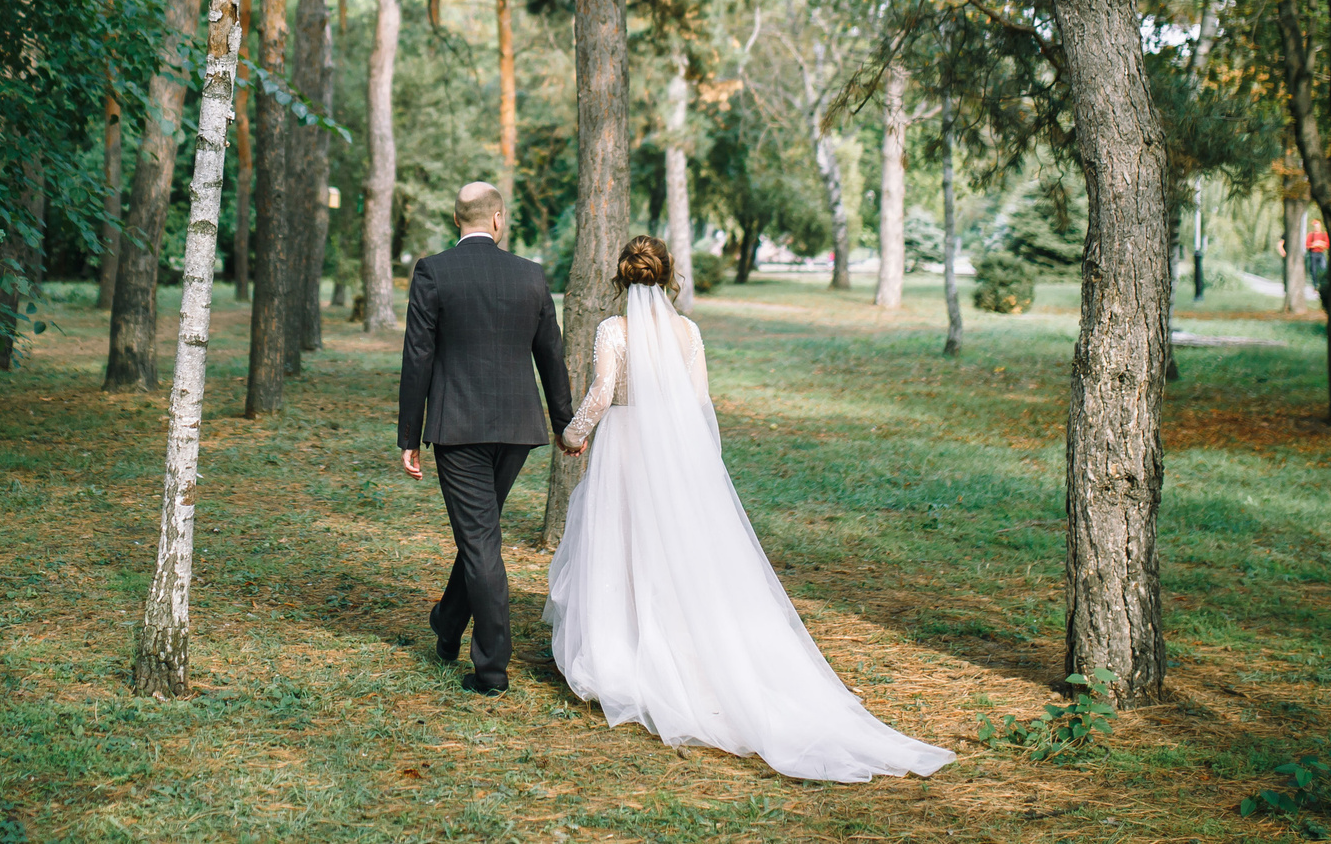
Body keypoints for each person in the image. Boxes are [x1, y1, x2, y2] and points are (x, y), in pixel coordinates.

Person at [547, 234, 954, 782]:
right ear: (669, 277)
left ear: (622, 279)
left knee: (621, 547)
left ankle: (626, 654)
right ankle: (670, 648)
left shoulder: (612, 331)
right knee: (671, 555)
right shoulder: (689, 333)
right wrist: (696, 465)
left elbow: (600, 394)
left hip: (623, 447)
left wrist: (573, 435)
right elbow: (698, 404)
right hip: (675, 455)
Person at [396, 180, 576, 694]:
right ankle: (448, 623)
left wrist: (410, 433)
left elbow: (417, 357)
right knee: (481, 533)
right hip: (518, 429)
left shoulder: (434, 271)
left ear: (460, 219)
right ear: (498, 219)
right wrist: (564, 424)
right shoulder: (531, 276)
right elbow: (552, 357)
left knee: (479, 540)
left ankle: (492, 668)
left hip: (458, 427)